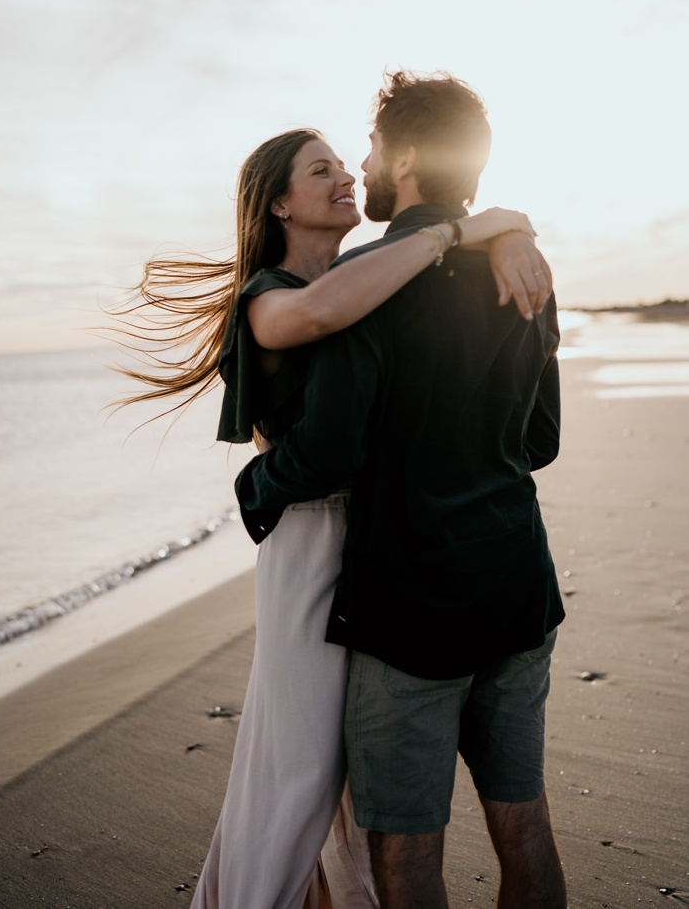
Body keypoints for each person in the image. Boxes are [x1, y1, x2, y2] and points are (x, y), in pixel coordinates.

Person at [110, 101, 551, 906]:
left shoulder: (377, 278)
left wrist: (504, 232)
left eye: (352, 160)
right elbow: (321, 318)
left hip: (387, 549)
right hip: (322, 550)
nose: (349, 172)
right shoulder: (274, 297)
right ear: (278, 203)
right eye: (323, 169)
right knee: (304, 774)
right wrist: (471, 229)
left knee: (349, 795)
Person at [236, 73, 566, 907]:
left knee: (407, 850)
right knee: (524, 826)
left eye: (375, 149)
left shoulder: (372, 282)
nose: (365, 165)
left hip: (414, 611)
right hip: (519, 588)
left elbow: (335, 447)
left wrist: (258, 484)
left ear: (410, 155)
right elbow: (541, 440)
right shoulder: (525, 271)